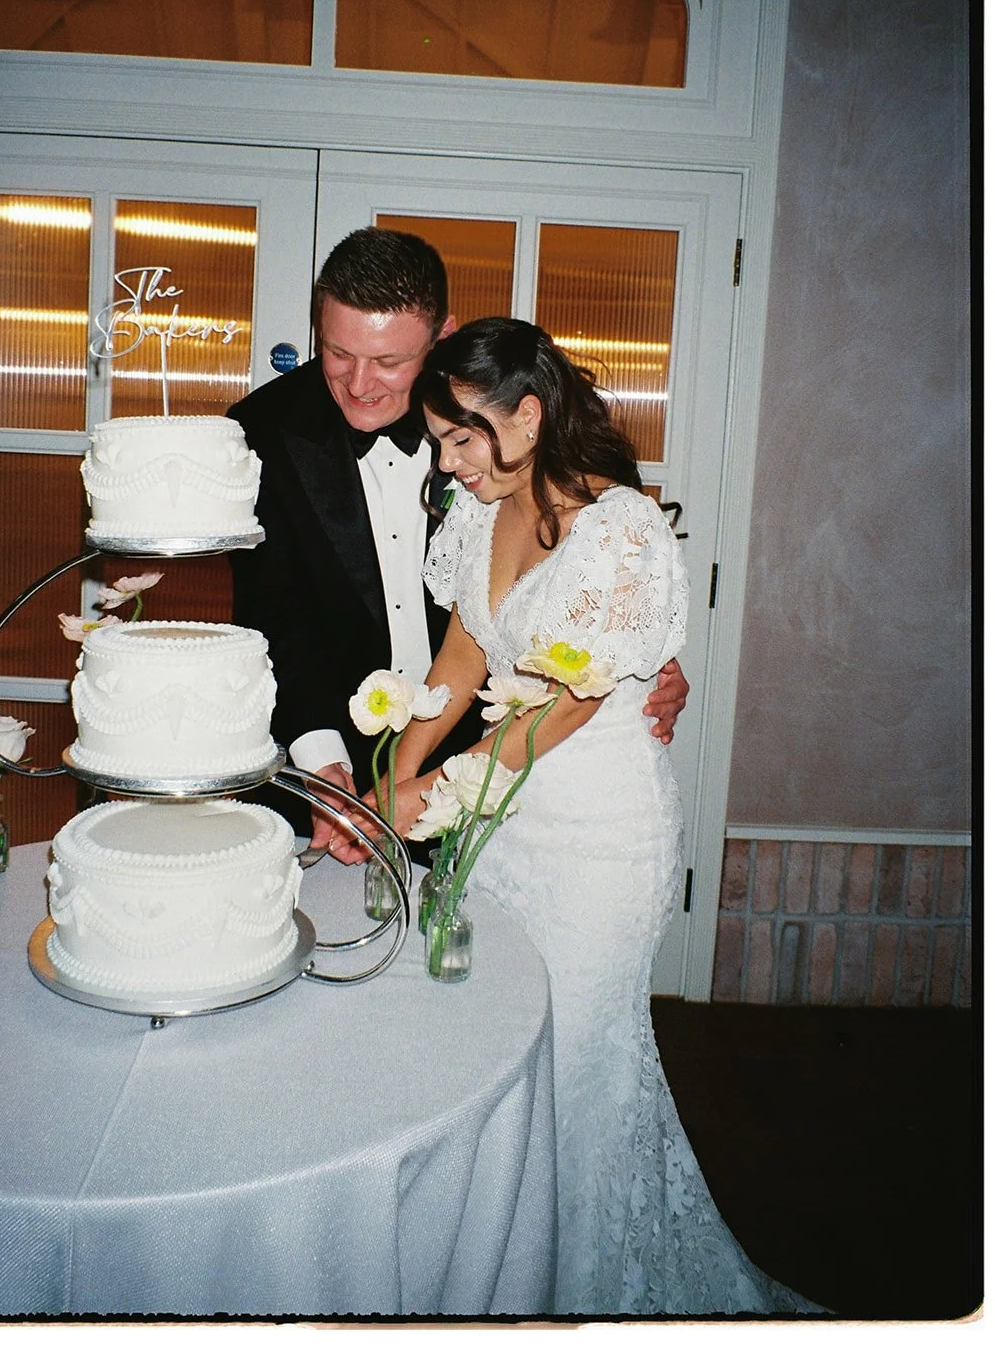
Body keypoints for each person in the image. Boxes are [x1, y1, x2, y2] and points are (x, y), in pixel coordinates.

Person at [384, 317, 820, 1318]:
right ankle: (495, 1266)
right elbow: (463, 652)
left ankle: (570, 1296)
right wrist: (398, 761)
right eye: (441, 441)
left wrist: (444, 792)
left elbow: (567, 703)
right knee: (501, 1050)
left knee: (577, 1065)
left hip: (598, 836)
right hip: (503, 826)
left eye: (463, 437)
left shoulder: (619, 527)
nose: (448, 463)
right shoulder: (477, 512)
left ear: (527, 416)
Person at [229, 228, 689, 856]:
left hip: (501, 750)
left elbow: (600, 581)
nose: (360, 384)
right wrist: (327, 760)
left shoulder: (500, 410)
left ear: (442, 335)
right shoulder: (261, 430)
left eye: (390, 362)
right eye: (338, 353)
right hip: (347, 752)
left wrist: (648, 661)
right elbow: (275, 610)